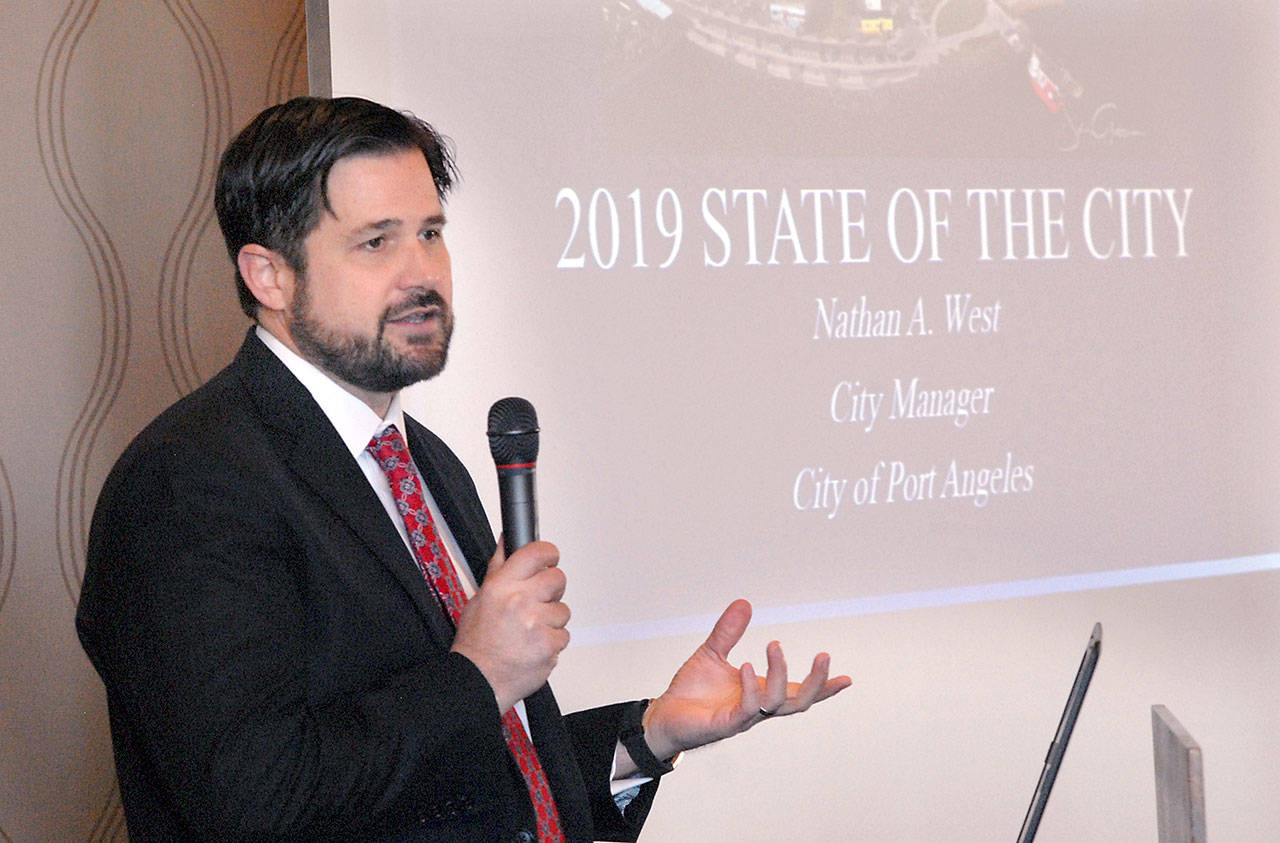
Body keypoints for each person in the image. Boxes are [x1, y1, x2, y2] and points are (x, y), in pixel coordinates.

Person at [75, 96, 851, 842]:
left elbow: (468, 779)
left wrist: (648, 735)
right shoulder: (190, 482)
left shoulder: (422, 460)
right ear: (269, 275)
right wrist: (478, 672)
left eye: (430, 233)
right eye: (376, 242)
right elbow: (253, 796)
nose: (422, 273)